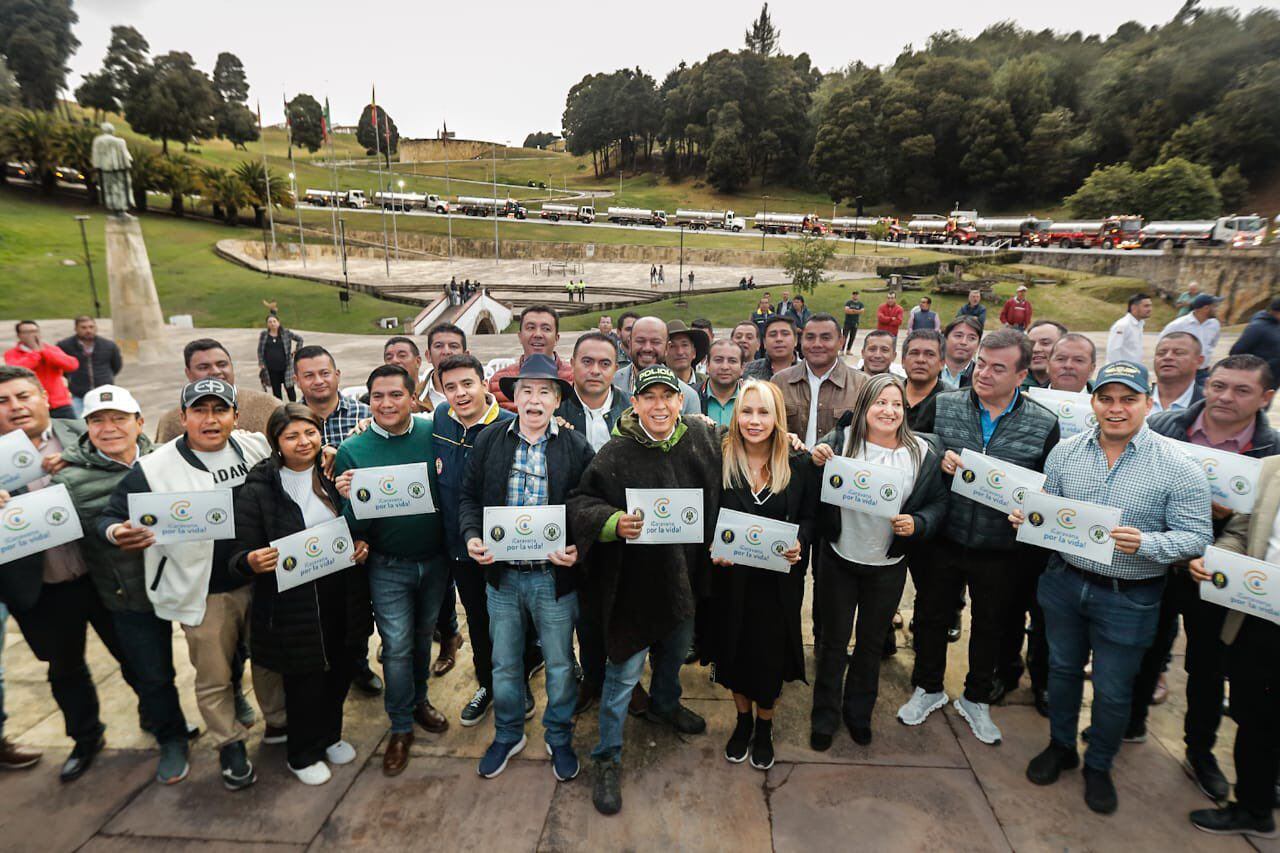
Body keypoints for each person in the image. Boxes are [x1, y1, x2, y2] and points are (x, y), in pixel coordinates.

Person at [1017, 361, 1211, 815]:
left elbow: (1197, 536)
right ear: (1093, 402)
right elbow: (1051, 511)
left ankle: (1099, 764)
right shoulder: (1065, 453)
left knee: (1113, 687)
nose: (1116, 409)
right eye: (1106, 398)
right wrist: (1030, 520)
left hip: (1130, 595)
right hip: (1065, 582)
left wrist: (1149, 543)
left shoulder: (1179, 466)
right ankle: (1062, 746)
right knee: (1062, 671)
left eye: (1128, 399)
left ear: (1149, 401)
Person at [101, 378, 283, 792]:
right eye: (199, 410)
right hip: (206, 590)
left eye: (220, 410)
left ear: (236, 416)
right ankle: (229, 742)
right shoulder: (154, 467)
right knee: (215, 675)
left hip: (262, 579)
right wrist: (116, 533)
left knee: (272, 660)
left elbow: (295, 447)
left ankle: (280, 723)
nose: (210, 419)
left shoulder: (253, 447)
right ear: (182, 418)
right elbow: (110, 516)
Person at [568, 365, 721, 816]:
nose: (659, 406)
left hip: (685, 577)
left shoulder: (702, 439)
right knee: (622, 677)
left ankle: (666, 706)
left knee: (674, 654)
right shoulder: (617, 453)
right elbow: (581, 502)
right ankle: (607, 756)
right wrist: (613, 523)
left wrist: (790, 443)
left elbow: (751, 442)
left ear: (681, 401)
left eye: (667, 397)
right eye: (648, 398)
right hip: (634, 584)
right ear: (633, 403)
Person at [1127, 355, 1277, 799]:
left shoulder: (1272, 453)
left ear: (1266, 397)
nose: (1226, 397)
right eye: (1220, 386)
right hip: (1156, 558)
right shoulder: (1166, 426)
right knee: (1145, 646)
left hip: (1219, 574)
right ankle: (1131, 722)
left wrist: (1223, 522)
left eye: (1242, 390)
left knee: (1207, 666)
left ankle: (1200, 750)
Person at [903, 329, 1060, 746]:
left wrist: (1035, 508)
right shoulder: (946, 403)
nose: (984, 374)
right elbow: (913, 451)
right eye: (981, 363)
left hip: (1002, 547)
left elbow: (1052, 487)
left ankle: (976, 698)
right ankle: (928, 687)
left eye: (998, 368)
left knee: (991, 624)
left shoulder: (1044, 422)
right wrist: (938, 461)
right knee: (933, 616)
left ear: (1022, 375)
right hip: (946, 536)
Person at [0, 367, 139, 783]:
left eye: (23, 396)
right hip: (41, 587)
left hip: (101, 572)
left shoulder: (88, 431)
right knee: (65, 669)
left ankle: (161, 720)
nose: (16, 407)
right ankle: (86, 738)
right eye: (3, 402)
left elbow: (143, 453)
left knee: (133, 655)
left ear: (44, 396)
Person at [461, 355, 594, 781]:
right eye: (526, 392)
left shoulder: (576, 447)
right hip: (502, 578)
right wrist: (472, 537)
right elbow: (468, 499)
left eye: (544, 392)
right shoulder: (490, 440)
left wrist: (578, 548)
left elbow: (590, 507)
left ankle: (558, 736)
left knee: (558, 663)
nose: (534, 400)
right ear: (513, 397)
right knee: (503, 663)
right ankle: (508, 732)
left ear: (557, 400)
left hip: (552, 580)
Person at [53, 384, 193, 785]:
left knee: (221, 657)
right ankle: (171, 738)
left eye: (119, 418)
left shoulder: (167, 458)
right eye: (98, 420)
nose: (109, 428)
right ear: (87, 427)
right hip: (127, 595)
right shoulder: (67, 478)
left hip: (183, 582)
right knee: (152, 675)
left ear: (139, 422)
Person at [231, 405, 372, 785]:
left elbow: (358, 521)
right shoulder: (260, 486)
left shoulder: (331, 473)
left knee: (342, 664)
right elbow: (240, 548)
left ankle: (330, 736)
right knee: (305, 677)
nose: (303, 442)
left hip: (341, 589)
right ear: (276, 442)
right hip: (293, 599)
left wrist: (360, 544)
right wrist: (250, 560)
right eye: (291, 436)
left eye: (310, 433)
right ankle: (302, 752)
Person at [808, 374, 946, 748]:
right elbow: (811, 485)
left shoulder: (923, 452)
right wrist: (816, 458)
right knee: (833, 642)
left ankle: (858, 714)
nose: (888, 411)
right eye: (879, 403)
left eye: (896, 404)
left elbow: (938, 503)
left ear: (905, 410)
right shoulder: (839, 443)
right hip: (839, 558)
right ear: (864, 407)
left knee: (870, 645)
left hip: (886, 567)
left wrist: (918, 523)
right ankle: (824, 716)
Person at [333, 365, 448, 777]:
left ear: (412, 397)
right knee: (396, 645)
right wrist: (350, 498)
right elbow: (350, 524)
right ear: (369, 400)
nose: (385, 404)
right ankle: (400, 726)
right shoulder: (353, 451)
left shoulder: (432, 432)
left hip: (435, 561)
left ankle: (419, 701)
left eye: (395, 395)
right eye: (377, 396)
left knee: (421, 638)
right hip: (388, 565)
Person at [709, 380, 813, 768]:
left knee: (769, 659)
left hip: (777, 584)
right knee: (734, 652)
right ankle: (741, 721)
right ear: (736, 415)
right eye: (747, 411)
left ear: (778, 417)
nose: (754, 420)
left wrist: (801, 541)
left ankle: (765, 726)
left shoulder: (797, 463)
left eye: (764, 412)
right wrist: (712, 550)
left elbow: (810, 517)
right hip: (732, 580)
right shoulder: (719, 458)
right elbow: (709, 518)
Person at [433, 354, 540, 728]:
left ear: (484, 383)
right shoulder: (438, 422)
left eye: (467, 384)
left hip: (508, 545)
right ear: (440, 390)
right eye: (450, 387)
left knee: (514, 620)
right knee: (477, 619)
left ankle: (520, 680)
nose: (460, 394)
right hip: (461, 546)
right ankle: (488, 683)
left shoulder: (514, 425)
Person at [1185, 456, 1280, 837]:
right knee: (1253, 713)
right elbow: (1242, 530)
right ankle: (1255, 806)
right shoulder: (1272, 468)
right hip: (1260, 616)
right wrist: (1218, 559)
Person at [291, 345, 382, 696]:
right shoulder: (289, 419)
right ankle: (323, 666)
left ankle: (357, 665)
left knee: (357, 608)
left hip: (357, 529)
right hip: (308, 531)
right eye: (309, 375)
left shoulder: (364, 414)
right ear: (296, 380)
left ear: (337, 375)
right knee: (317, 610)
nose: (318, 381)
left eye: (324, 373)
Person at [156, 339, 280, 441]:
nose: (215, 371)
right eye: (203, 367)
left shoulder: (270, 407)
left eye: (222, 364)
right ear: (188, 373)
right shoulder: (171, 422)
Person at [774, 314, 867, 450]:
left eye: (826, 338)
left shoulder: (861, 385)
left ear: (841, 342)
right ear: (801, 341)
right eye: (810, 338)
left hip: (840, 469)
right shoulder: (779, 382)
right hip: (790, 467)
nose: (817, 344)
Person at [489, 306, 575, 411]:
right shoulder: (498, 381)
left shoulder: (574, 379)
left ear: (556, 338)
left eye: (546, 329)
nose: (538, 334)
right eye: (530, 328)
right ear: (520, 336)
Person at [611, 317, 701, 416]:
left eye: (655, 342)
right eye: (640, 341)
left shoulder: (688, 396)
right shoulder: (610, 383)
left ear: (667, 348)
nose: (647, 348)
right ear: (630, 344)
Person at [5, 320, 79, 418]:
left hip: (60, 404)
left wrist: (45, 352)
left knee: (75, 431)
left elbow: (72, 365)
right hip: (32, 405)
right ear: (19, 335)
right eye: (27, 332)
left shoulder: (50, 349)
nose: (32, 335)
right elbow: (19, 370)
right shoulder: (12, 354)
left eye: (35, 331)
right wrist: (36, 353)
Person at [57, 316, 123, 416]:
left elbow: (116, 365)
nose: (88, 330)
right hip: (79, 394)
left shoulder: (109, 345)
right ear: (76, 329)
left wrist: (106, 377)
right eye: (83, 328)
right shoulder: (65, 346)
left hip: (104, 393)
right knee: (79, 424)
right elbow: (61, 367)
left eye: (91, 327)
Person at [1161, 294, 1222, 381]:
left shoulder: (1215, 324)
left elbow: (1212, 345)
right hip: (1181, 373)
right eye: (1214, 307)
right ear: (1206, 308)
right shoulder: (1178, 325)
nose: (1217, 309)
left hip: (1202, 373)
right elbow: (1162, 346)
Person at [1228, 295, 1280, 390]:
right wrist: (1256, 370)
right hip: (1258, 380)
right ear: (1276, 312)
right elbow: (1236, 352)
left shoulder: (1277, 325)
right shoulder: (1257, 327)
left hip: (1273, 380)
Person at [1150, 332, 1205, 413]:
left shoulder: (1208, 404)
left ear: (1199, 361)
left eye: (1179, 353)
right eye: (1161, 353)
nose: (1167, 357)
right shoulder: (1135, 398)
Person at [901, 330, 945, 431]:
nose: (920, 360)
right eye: (914, 353)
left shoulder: (952, 404)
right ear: (903, 361)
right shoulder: (887, 395)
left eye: (930, 354)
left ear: (942, 363)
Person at [420, 323, 468, 412]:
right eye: (438, 346)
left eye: (453, 346)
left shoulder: (483, 394)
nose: (446, 352)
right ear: (428, 355)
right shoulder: (414, 398)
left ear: (466, 355)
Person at [257, 315, 304, 402]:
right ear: (267, 324)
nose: (272, 324)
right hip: (271, 368)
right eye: (270, 322)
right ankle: (280, 410)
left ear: (278, 322)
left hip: (286, 367)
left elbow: (300, 339)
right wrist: (261, 362)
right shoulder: (264, 335)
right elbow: (260, 350)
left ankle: (294, 407)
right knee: (276, 390)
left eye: (274, 321)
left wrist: (297, 351)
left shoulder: (286, 333)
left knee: (290, 388)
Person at [381, 336, 432, 414]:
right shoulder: (376, 398)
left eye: (402, 356)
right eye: (389, 358)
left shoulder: (433, 393)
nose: (394, 361)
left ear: (418, 362)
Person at [700, 339, 744, 427]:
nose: (725, 367)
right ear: (707, 366)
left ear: (742, 368)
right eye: (718, 360)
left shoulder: (752, 398)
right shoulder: (692, 396)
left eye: (732, 361)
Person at [744, 316, 799, 381]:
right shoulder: (747, 371)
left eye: (785, 334)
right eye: (773, 335)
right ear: (764, 342)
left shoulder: (807, 370)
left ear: (796, 340)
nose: (779, 339)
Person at [1106, 293, 1152, 366]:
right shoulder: (1122, 325)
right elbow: (1113, 351)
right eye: (1146, 306)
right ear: (1134, 308)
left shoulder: (1139, 324)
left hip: (1132, 371)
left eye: (1150, 306)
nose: (1150, 309)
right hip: (1121, 372)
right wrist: (1121, 371)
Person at [940, 317, 983, 390]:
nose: (963, 342)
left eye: (972, 338)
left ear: (978, 345)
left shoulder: (982, 377)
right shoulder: (928, 369)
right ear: (945, 339)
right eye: (958, 336)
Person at [665, 320, 710, 387]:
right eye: (672, 346)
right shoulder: (656, 385)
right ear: (664, 353)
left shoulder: (708, 384)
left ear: (694, 352)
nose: (680, 352)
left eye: (685, 345)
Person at [1025, 320, 1066, 388]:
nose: (1035, 349)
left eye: (1045, 343)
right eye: (1031, 344)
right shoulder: (1011, 387)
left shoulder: (1086, 391)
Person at [842, 289, 865, 354]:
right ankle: (841, 350)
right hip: (847, 322)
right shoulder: (848, 302)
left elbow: (862, 311)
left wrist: (852, 311)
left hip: (855, 323)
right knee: (844, 336)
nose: (855, 296)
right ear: (852, 296)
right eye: (854, 295)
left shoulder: (860, 304)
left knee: (852, 337)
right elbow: (846, 311)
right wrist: (856, 311)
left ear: (858, 296)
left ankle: (848, 350)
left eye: (856, 295)